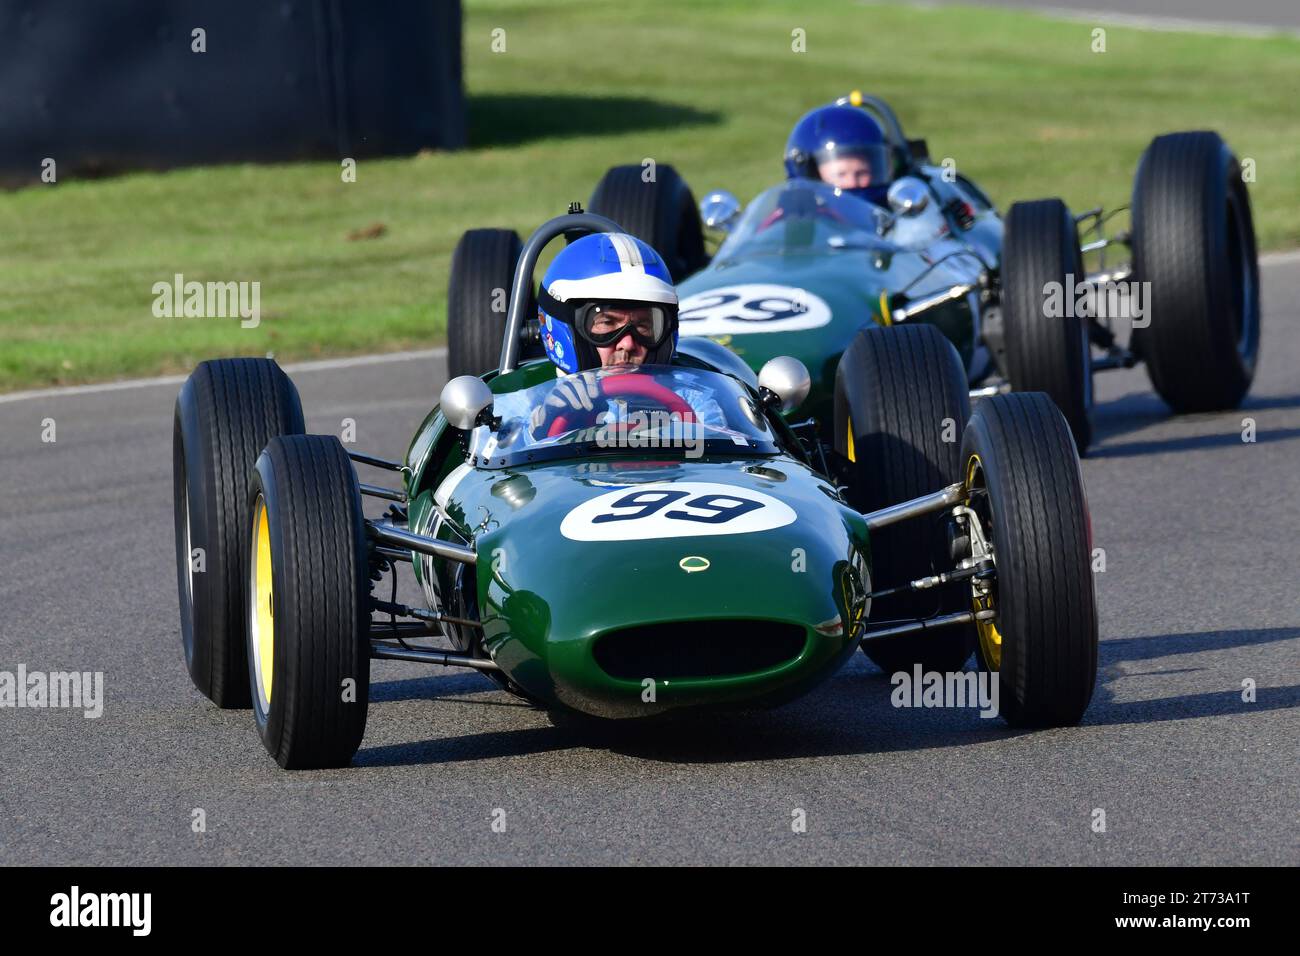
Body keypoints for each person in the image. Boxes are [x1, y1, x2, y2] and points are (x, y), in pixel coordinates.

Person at [784, 103, 898, 206]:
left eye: (862, 173)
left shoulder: (895, 210)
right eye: (840, 175)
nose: (852, 183)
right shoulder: (796, 220)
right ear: (812, 175)